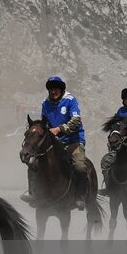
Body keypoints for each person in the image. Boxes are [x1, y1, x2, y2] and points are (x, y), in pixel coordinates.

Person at [24, 75, 90, 208]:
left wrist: (59, 129)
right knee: (33, 162)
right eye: (51, 89)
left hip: (73, 141)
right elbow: (44, 123)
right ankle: (34, 193)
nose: (53, 91)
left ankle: (80, 196)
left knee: (79, 166)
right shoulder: (45, 103)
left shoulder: (70, 100)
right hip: (54, 143)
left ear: (61, 89)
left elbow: (76, 122)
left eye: (56, 89)